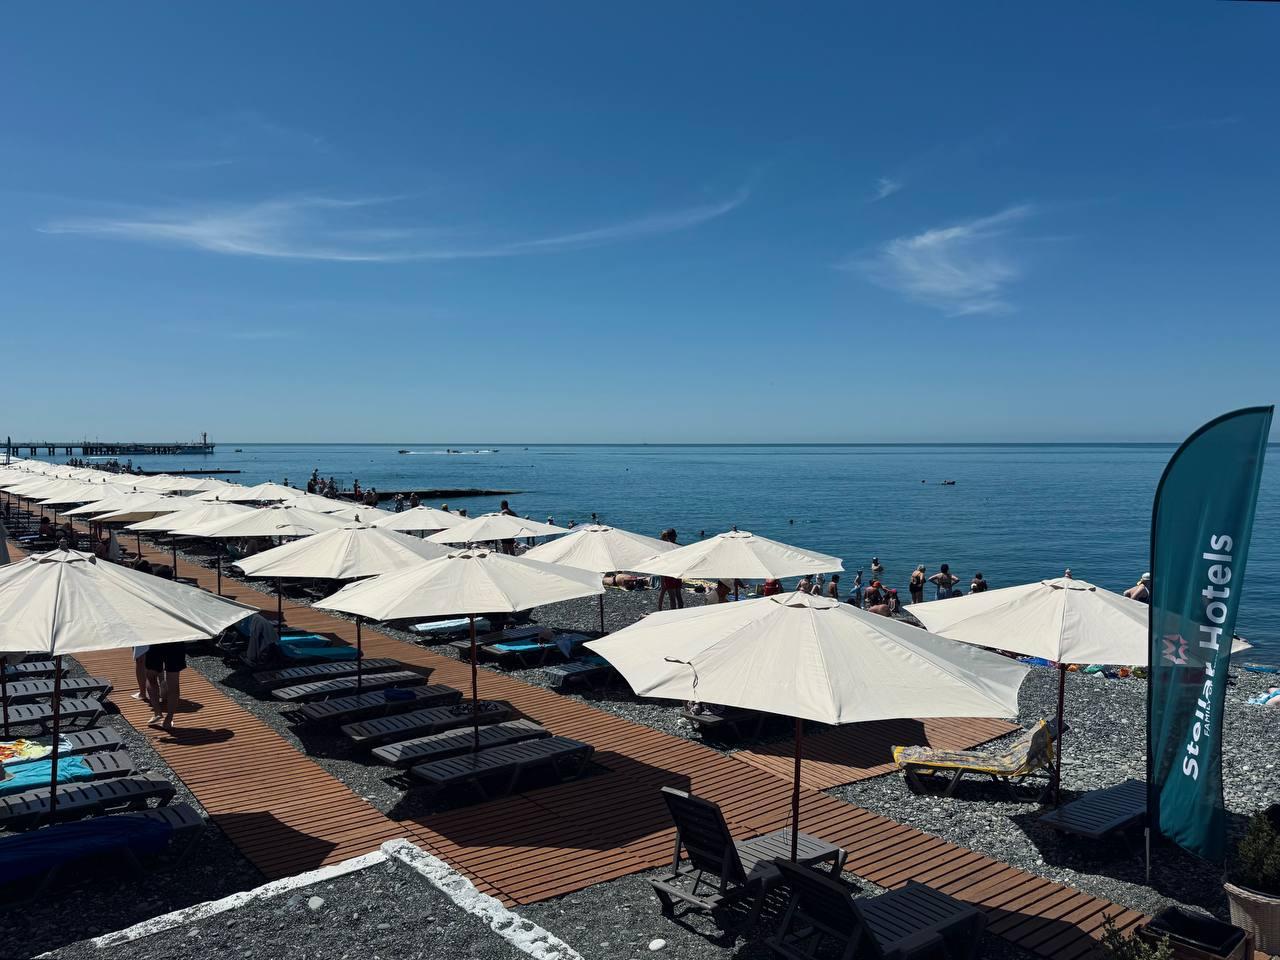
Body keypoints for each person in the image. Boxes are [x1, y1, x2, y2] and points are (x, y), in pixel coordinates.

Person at [144, 642, 186, 731]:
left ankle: (157, 712)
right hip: (176, 641)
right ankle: (169, 719)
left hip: (156, 641)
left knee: (151, 677)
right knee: (173, 682)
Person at [656, 528, 684, 610]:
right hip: (677, 572)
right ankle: (681, 613)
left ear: (667, 537)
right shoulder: (680, 546)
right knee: (678, 595)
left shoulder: (664, 548)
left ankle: (672, 614)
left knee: (672, 596)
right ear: (675, 536)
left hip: (669, 573)